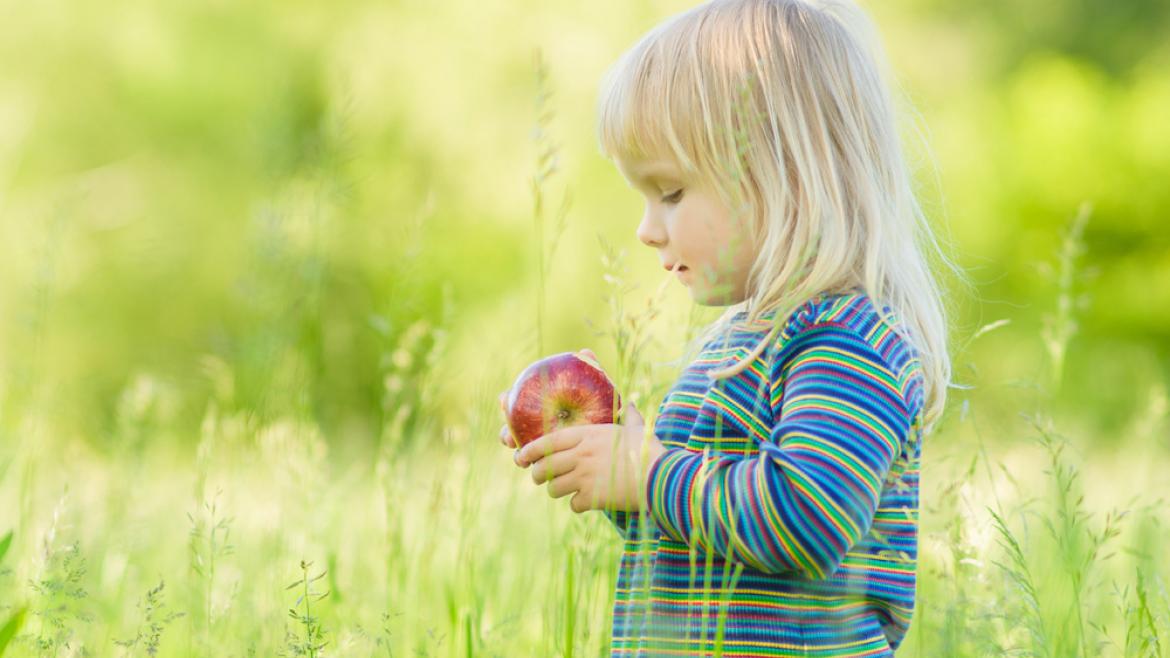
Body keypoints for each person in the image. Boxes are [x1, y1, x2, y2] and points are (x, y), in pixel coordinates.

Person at [499, 0, 960, 654]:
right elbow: (701, 542)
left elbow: (803, 519)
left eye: (672, 192)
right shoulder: (735, 344)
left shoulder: (848, 342)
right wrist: (610, 466)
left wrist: (647, 471)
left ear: (786, 176)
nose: (646, 228)